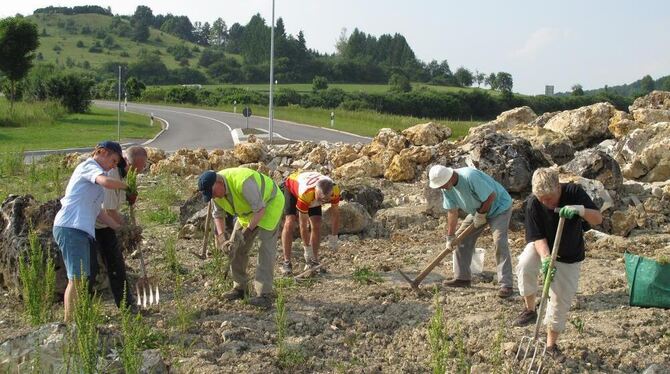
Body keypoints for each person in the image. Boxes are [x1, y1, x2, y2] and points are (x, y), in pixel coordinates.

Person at [513, 167, 602, 358]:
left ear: (559, 188)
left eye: (550, 198)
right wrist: (546, 259)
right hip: (544, 246)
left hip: (569, 252)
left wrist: (580, 210)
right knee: (525, 263)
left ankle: (551, 345)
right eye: (541, 199)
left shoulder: (574, 192)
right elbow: (537, 237)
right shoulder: (532, 203)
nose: (546, 203)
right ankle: (530, 309)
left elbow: (598, 218)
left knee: (559, 297)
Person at [53, 141, 128, 322]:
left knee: (81, 278)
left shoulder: (96, 184)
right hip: (71, 227)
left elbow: (100, 213)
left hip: (81, 230)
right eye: (113, 160)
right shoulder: (89, 167)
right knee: (76, 279)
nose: (113, 166)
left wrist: (121, 228)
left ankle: (76, 319)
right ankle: (70, 323)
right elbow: (106, 182)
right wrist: (126, 186)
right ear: (101, 152)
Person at [197, 167, 285, 309]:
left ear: (219, 182)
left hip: (269, 205)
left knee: (265, 249)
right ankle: (240, 288)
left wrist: (248, 231)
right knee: (235, 247)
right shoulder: (216, 194)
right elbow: (217, 215)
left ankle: (264, 294)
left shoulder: (243, 183)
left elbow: (260, 210)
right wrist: (222, 238)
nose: (213, 197)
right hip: (248, 212)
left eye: (213, 193)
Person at [428, 165, 515, 298]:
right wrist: (450, 236)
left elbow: (491, 196)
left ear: (449, 177)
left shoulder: (469, 177)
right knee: (459, 240)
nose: (441, 188)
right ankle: (462, 278)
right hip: (477, 210)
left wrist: (481, 214)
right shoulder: (447, 188)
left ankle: (506, 285)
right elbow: (452, 211)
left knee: (499, 241)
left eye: (442, 185)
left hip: (499, 207)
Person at [90, 146, 147, 311]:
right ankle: (84, 309)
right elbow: (109, 211)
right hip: (95, 226)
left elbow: (117, 203)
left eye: (140, 170)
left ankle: (127, 305)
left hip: (105, 224)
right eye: (134, 169)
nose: (135, 173)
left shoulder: (124, 175)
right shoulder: (111, 174)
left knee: (117, 266)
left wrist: (128, 195)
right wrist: (128, 229)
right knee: (93, 269)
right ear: (126, 162)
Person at [280, 171, 340, 276]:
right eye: (321, 199)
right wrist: (307, 249)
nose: (323, 202)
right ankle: (287, 262)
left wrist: (334, 238)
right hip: (292, 188)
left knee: (316, 224)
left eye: (326, 200)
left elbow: (335, 214)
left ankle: (314, 261)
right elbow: (303, 225)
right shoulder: (306, 193)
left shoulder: (335, 191)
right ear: (316, 191)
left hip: (313, 190)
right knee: (290, 222)